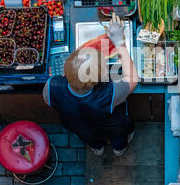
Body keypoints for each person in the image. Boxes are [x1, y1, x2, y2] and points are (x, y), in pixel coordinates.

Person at [43, 13, 139, 156]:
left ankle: (97, 149)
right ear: (100, 78)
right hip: (112, 126)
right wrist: (119, 43)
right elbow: (132, 78)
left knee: (89, 138)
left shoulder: (51, 87)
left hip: (79, 126)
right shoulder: (109, 94)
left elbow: (48, 101)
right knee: (119, 136)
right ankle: (119, 149)